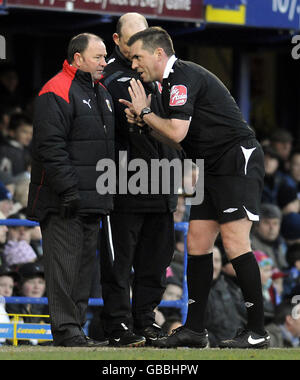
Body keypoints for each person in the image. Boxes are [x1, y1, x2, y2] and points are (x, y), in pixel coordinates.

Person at [121, 26, 270, 348]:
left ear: (158, 53)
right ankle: (195, 329)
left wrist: (145, 112)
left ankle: (257, 332)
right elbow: (177, 139)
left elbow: (175, 133)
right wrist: (144, 123)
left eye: (137, 57)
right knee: (197, 243)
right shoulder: (165, 85)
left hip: (235, 161)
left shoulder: (182, 76)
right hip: (212, 166)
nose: (133, 64)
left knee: (234, 243)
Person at [26, 33, 114, 347]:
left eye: (105, 57)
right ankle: (67, 331)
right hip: (63, 200)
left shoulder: (101, 91)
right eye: (99, 57)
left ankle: (73, 331)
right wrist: (68, 190)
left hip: (93, 199)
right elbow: (50, 147)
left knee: (81, 271)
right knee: (63, 268)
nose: (105, 62)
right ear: (78, 58)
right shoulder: (55, 90)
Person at [100, 13, 178, 347]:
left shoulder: (164, 78)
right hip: (125, 185)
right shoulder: (112, 79)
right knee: (120, 263)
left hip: (162, 185)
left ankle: (146, 322)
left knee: (156, 261)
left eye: (143, 38)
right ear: (117, 42)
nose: (138, 48)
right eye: (131, 41)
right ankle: (118, 325)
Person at [251, 204, 287, 270]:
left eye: (275, 223)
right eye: (266, 223)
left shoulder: (281, 243)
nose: (272, 228)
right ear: (256, 225)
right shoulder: (251, 247)